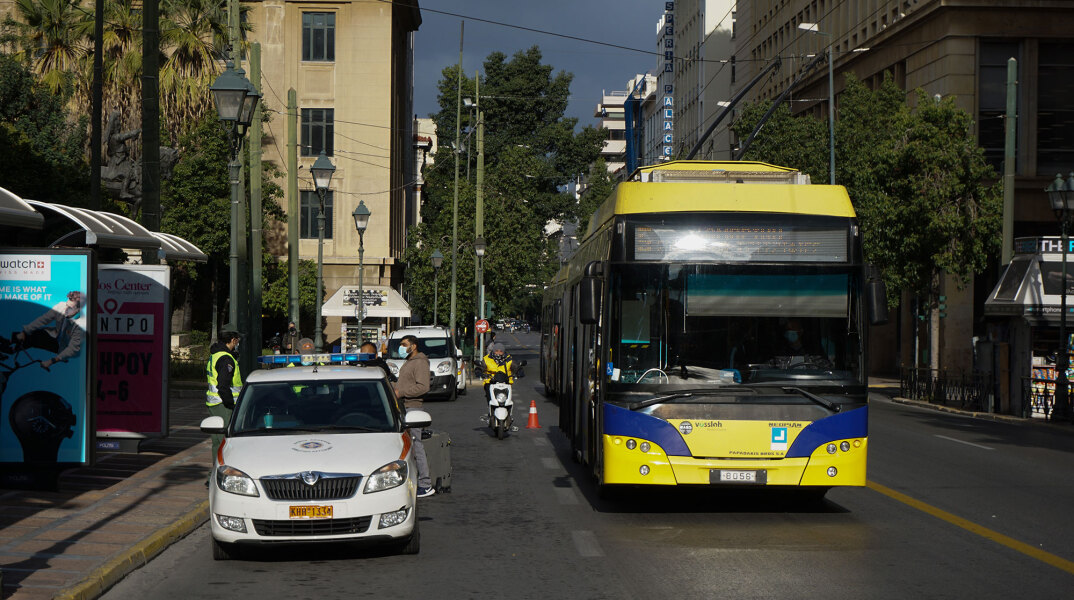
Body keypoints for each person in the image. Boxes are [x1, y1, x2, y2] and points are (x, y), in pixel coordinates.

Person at [0, 290, 86, 369]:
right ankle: (10, 342)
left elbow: (73, 349)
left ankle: (12, 350)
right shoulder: (61, 306)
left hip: (64, 347)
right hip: (56, 335)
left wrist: (51, 361)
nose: (66, 309)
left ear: (78, 310)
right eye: (67, 305)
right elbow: (44, 319)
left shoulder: (80, 325)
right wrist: (24, 332)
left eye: (70, 308)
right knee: (33, 332)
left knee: (36, 338)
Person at [393, 335, 435, 498]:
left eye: (404, 344)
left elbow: (423, 387)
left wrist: (401, 392)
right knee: (408, 445)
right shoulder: (410, 362)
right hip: (404, 407)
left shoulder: (420, 362)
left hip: (413, 407)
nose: (401, 348)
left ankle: (425, 484)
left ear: (414, 346)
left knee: (416, 445)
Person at [206, 331, 242, 484]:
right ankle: (218, 475)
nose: (238, 343)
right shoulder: (226, 358)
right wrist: (230, 404)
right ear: (232, 340)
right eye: (237, 340)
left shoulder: (215, 355)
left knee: (217, 441)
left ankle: (214, 474)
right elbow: (223, 386)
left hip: (214, 403)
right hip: (223, 405)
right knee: (224, 442)